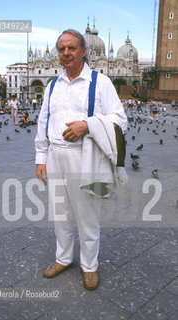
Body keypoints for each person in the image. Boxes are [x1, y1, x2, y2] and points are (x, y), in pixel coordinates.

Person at [35, 29, 127, 290]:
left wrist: (88, 125)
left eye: (72, 48)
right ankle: (63, 258)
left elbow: (120, 120)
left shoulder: (101, 82)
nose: (66, 53)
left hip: (84, 158)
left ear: (84, 51)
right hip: (55, 156)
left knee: (87, 216)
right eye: (61, 49)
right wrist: (41, 157)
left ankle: (90, 266)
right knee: (60, 214)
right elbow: (44, 121)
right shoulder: (52, 85)